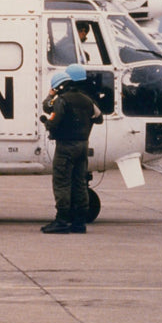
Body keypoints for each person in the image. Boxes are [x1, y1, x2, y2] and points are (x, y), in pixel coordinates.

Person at [41, 69, 103, 234]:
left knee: (62, 182)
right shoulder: (87, 100)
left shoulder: (62, 100)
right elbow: (99, 118)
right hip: (82, 146)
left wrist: (47, 123)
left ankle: (61, 220)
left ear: (60, 87)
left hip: (66, 146)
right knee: (79, 183)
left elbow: (52, 119)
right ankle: (79, 222)